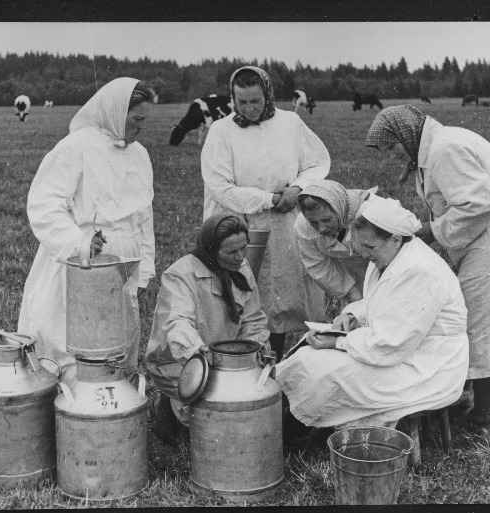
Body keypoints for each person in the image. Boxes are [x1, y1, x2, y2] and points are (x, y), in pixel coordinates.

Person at [365, 104, 490, 435]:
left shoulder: (445, 149)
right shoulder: (433, 149)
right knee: (472, 321)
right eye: (386, 150)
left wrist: (432, 231)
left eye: (392, 146)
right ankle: (464, 398)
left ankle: (486, 418)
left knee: (484, 327)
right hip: (484, 242)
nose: (391, 156)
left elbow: (480, 205)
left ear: (407, 134)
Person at [275, 197, 469, 430]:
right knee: (309, 358)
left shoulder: (419, 271)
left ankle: (296, 426)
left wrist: (337, 342)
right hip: (405, 350)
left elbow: (391, 345)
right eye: (361, 246)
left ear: (395, 239)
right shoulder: (393, 257)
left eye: (369, 247)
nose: (364, 254)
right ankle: (285, 417)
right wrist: (355, 315)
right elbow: (382, 302)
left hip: (429, 364)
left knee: (332, 372)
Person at [18, 77, 157, 369]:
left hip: (123, 266)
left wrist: (143, 273)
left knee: (117, 347)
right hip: (80, 264)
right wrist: (78, 243)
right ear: (118, 112)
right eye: (138, 119)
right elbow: (45, 203)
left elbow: (144, 217)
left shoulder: (140, 155)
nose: (142, 127)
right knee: (69, 348)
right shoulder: (76, 146)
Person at [201, 66, 330, 361]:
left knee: (279, 297)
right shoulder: (221, 131)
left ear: (268, 95)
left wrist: (297, 188)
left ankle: (273, 367)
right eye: (241, 102)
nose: (249, 109)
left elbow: (317, 163)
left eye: (255, 101)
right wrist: (267, 199)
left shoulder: (291, 123)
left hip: (284, 224)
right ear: (232, 98)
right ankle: (235, 367)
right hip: (238, 225)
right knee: (237, 298)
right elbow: (220, 186)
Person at [145, 214, 270, 443]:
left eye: (243, 248)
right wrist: (202, 358)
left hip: (226, 360)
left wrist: (256, 352)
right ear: (211, 249)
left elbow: (253, 319)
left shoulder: (241, 267)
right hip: (182, 362)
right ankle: (167, 409)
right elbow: (177, 323)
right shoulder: (180, 275)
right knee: (213, 422)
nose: (240, 257)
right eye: (231, 252)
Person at [294, 179, 380, 305]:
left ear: (338, 208)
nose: (321, 228)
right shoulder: (303, 225)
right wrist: (354, 295)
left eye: (326, 219)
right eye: (314, 222)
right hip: (350, 273)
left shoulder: (370, 214)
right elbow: (318, 265)